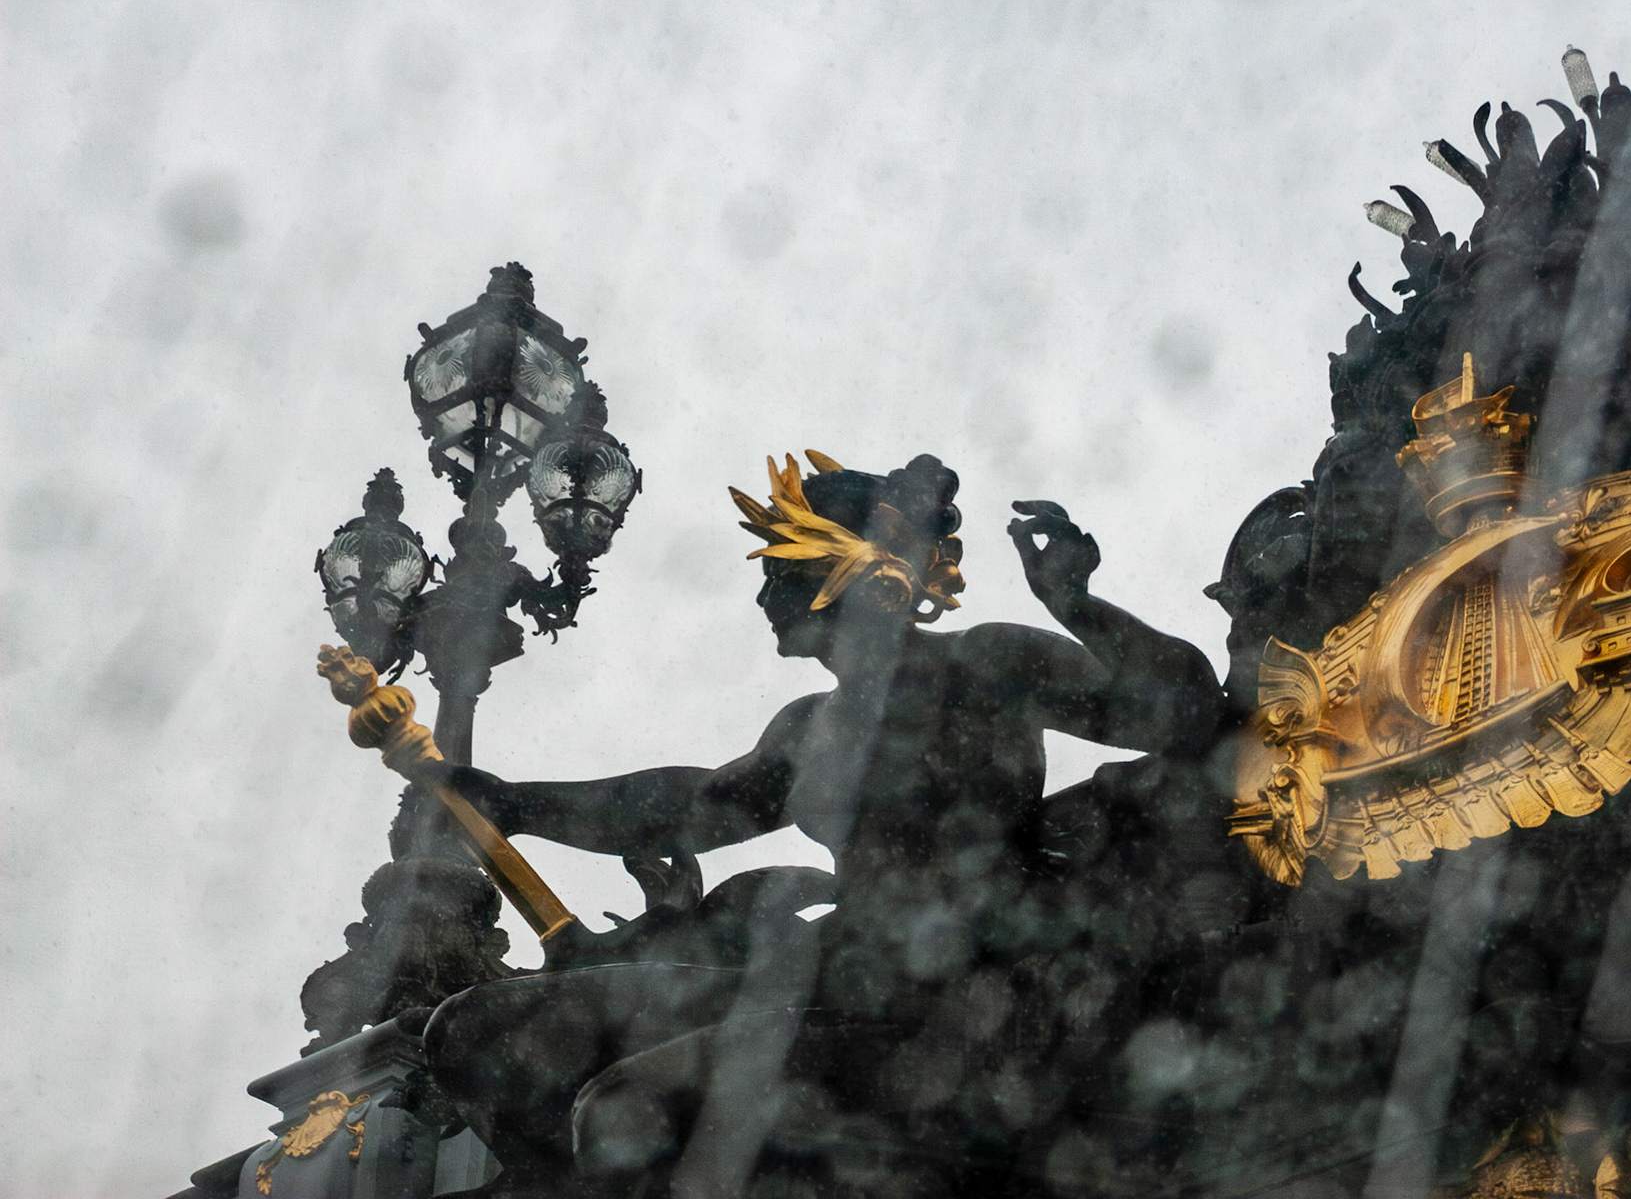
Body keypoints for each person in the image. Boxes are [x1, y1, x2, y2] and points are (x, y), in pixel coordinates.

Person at [416, 450, 1224, 1193]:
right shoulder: (808, 729)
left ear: (857, 574)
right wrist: (516, 802)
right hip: (834, 980)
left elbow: (1184, 715)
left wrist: (1078, 603)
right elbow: (686, 806)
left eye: (782, 571)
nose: (764, 595)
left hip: (965, 1004)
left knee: (622, 1105)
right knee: (476, 1031)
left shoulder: (989, 664)